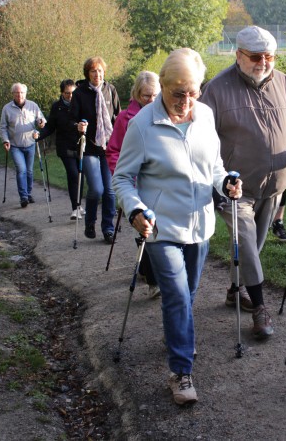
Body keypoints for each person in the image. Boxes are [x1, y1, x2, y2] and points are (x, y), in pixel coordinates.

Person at [113, 48, 242, 406]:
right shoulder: (142, 125)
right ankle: (181, 371)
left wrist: (227, 181)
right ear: (163, 85)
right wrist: (135, 209)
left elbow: (214, 167)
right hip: (160, 227)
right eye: (177, 93)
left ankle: (178, 334)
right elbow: (122, 178)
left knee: (188, 293)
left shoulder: (205, 116)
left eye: (193, 92)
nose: (186, 101)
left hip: (199, 225)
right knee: (175, 293)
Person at [201, 26, 286, 340]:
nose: (264, 62)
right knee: (245, 242)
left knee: (251, 246)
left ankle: (233, 290)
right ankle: (259, 307)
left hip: (274, 185)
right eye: (256, 56)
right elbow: (201, 138)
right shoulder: (217, 89)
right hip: (234, 188)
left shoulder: (284, 83)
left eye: (269, 56)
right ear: (239, 55)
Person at [106, 71, 161, 299]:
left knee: (157, 231)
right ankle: (154, 281)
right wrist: (123, 174)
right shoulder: (125, 118)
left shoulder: (164, 113)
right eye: (146, 95)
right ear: (137, 93)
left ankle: (147, 270)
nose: (151, 100)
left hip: (158, 180)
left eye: (155, 95)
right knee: (147, 229)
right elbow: (113, 150)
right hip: (136, 184)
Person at [72, 57, 120, 243]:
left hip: (108, 147)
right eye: (93, 71)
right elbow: (72, 119)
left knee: (110, 191)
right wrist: (78, 125)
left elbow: (117, 116)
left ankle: (108, 228)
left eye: (100, 71)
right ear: (87, 73)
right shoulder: (80, 93)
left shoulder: (110, 90)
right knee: (97, 189)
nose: (97, 74)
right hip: (90, 147)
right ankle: (90, 222)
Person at [37, 79, 85, 220]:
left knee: (80, 175)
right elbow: (50, 126)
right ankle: (75, 208)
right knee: (73, 174)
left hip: (80, 145)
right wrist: (39, 135)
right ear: (62, 93)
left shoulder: (81, 105)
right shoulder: (57, 107)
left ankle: (78, 204)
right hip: (65, 146)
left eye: (72, 93)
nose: (70, 96)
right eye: (67, 93)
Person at [0, 82, 46, 208]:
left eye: (22, 93)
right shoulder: (7, 108)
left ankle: (28, 193)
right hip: (15, 145)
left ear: (25, 93)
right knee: (21, 170)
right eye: (17, 93)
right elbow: (2, 128)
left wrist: (41, 123)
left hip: (30, 143)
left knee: (29, 171)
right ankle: (23, 197)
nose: (19, 95)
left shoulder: (33, 106)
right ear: (13, 94)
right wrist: (5, 140)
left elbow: (41, 120)